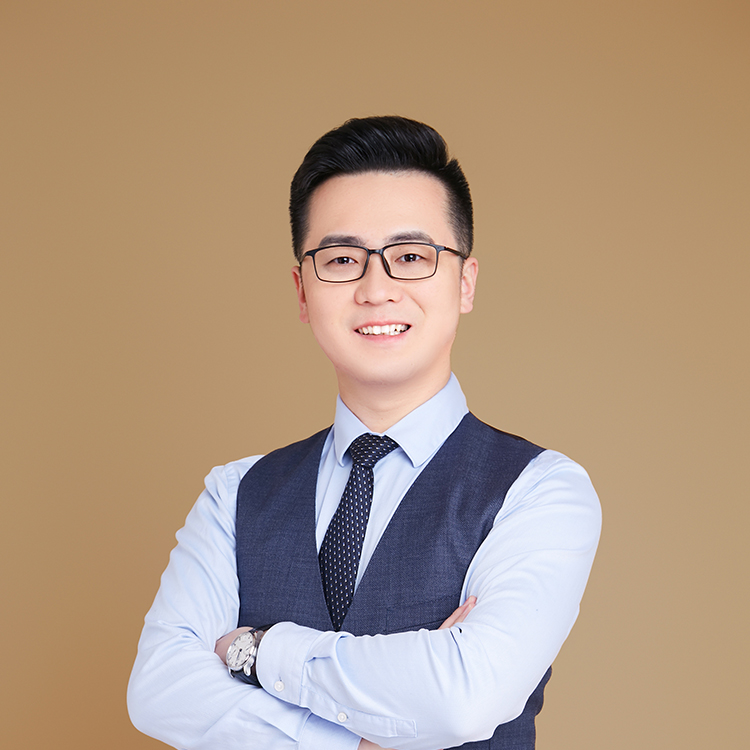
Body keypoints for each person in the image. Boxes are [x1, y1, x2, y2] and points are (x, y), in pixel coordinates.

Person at [127, 116, 601, 750]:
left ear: (464, 283)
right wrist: (352, 741)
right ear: (302, 290)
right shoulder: (235, 494)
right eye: (343, 260)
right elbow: (159, 690)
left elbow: (464, 697)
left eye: (411, 257)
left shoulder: (541, 490)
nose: (376, 290)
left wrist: (260, 650)